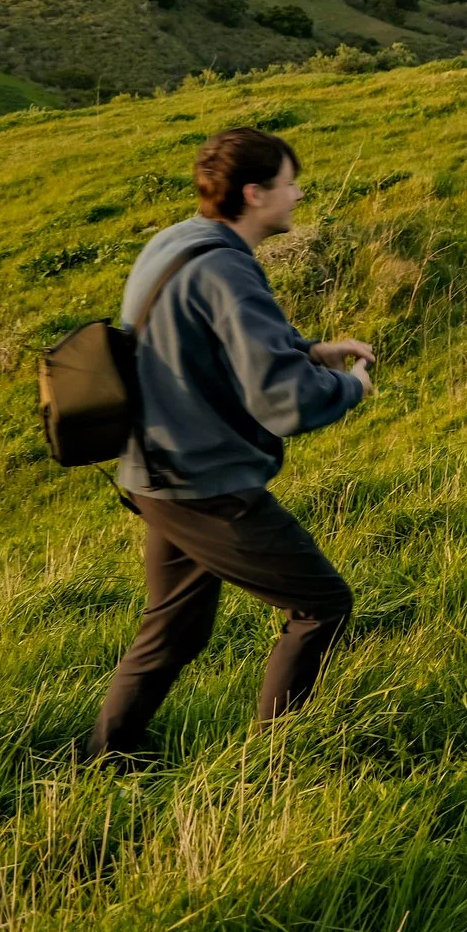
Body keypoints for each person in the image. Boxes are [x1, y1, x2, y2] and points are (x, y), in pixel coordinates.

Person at [87, 127, 375, 761]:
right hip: (202, 482)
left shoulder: (181, 240)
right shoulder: (227, 267)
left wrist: (309, 350)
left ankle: (104, 760)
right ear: (254, 194)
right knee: (321, 605)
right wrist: (349, 387)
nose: (298, 194)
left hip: (152, 468)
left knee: (175, 628)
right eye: (288, 183)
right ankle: (275, 762)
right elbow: (285, 401)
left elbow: (203, 342)